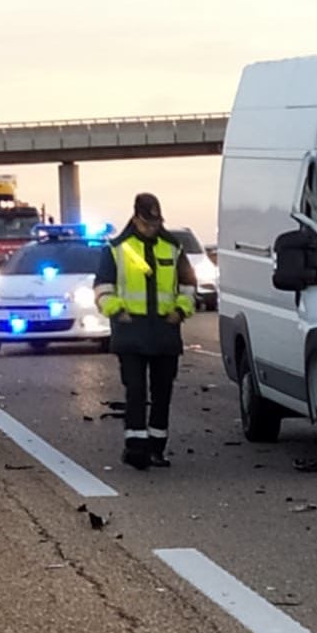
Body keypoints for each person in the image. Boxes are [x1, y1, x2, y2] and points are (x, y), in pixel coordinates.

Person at [93, 193, 196, 469]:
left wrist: (181, 310)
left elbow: (188, 285)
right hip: (131, 331)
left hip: (165, 331)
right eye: (147, 223)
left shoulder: (172, 247)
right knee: (136, 390)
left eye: (156, 222)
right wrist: (117, 311)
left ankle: (156, 447)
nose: (152, 228)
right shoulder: (117, 248)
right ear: (136, 219)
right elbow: (103, 288)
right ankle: (136, 447)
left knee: (163, 392)